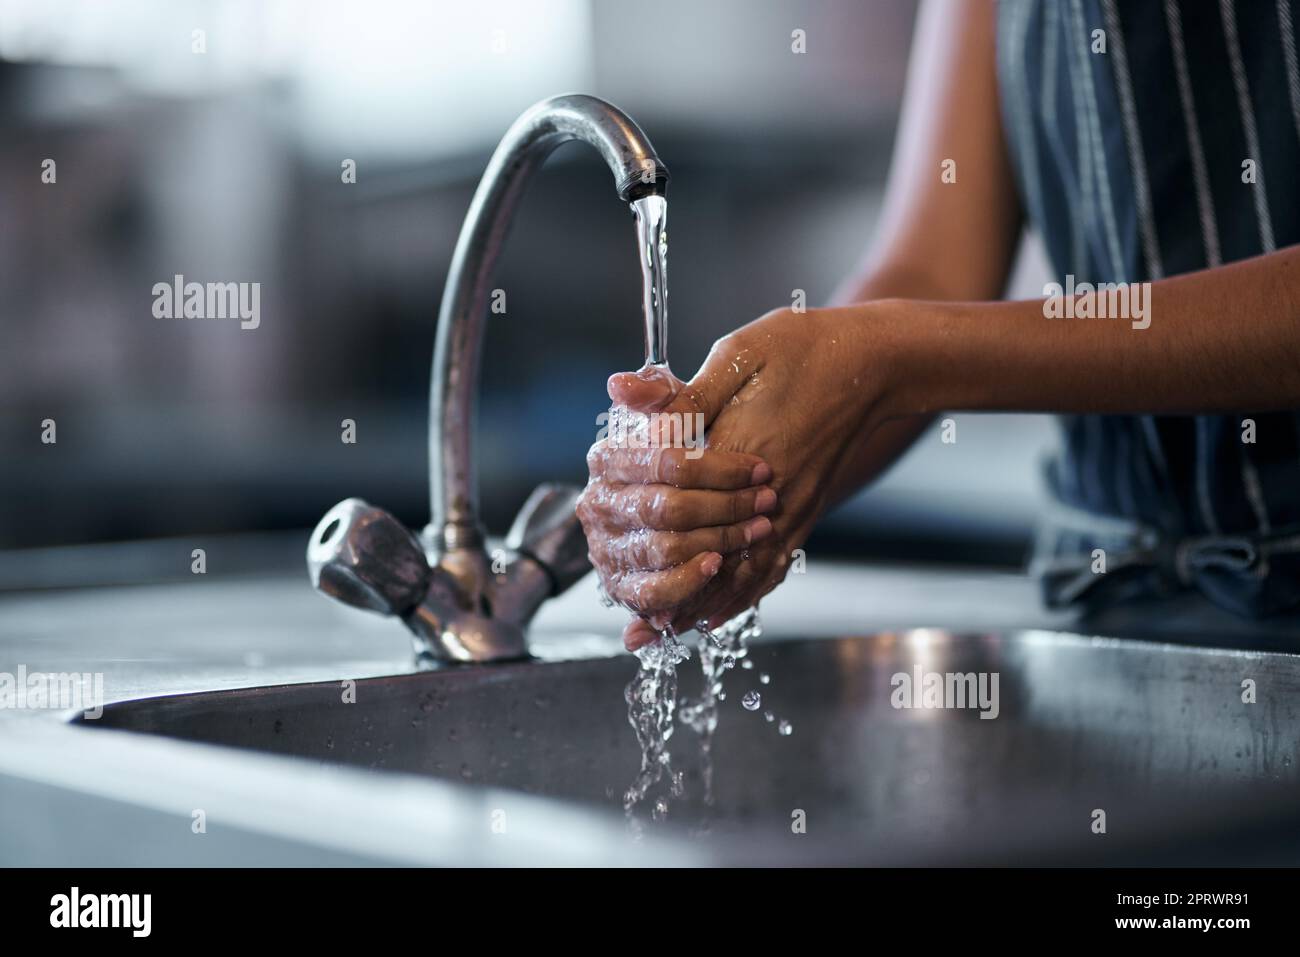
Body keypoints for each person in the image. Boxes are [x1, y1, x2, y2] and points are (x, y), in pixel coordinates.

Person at [577, 0, 1300, 651]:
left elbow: (907, 338)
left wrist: (897, 356)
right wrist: (711, 489)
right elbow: (933, 269)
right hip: (1110, 602)